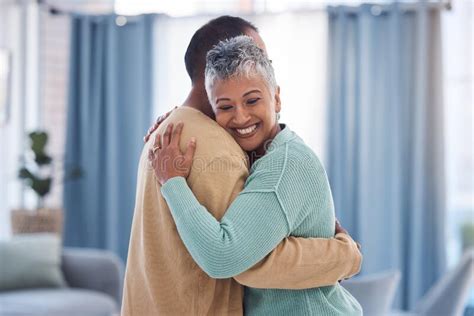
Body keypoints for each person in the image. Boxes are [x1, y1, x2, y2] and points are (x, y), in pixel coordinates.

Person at [122, 16, 362, 316]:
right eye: (256, 57)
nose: (241, 116)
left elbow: (249, 245)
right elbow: (238, 258)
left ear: (276, 97)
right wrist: (345, 256)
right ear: (220, 64)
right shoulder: (214, 149)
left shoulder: (169, 133)